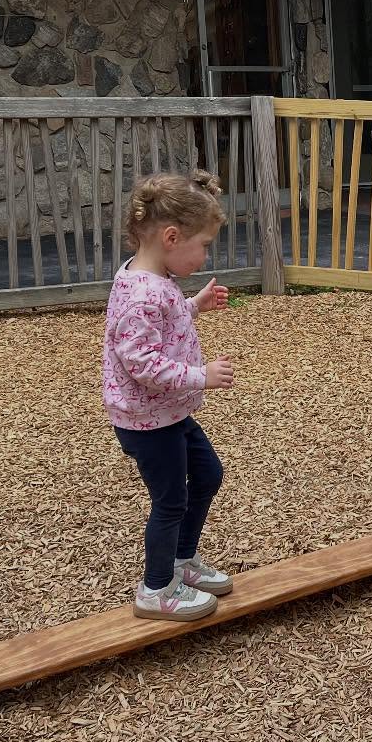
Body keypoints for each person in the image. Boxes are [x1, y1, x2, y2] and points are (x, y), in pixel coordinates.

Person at [103, 171, 236, 620]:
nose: (204, 255)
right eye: (202, 245)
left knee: (208, 475)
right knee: (170, 500)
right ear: (172, 236)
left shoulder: (154, 278)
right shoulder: (142, 294)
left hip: (167, 415)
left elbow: (165, 321)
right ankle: (156, 589)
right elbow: (142, 364)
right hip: (146, 421)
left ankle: (181, 561)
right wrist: (201, 375)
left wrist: (193, 304)